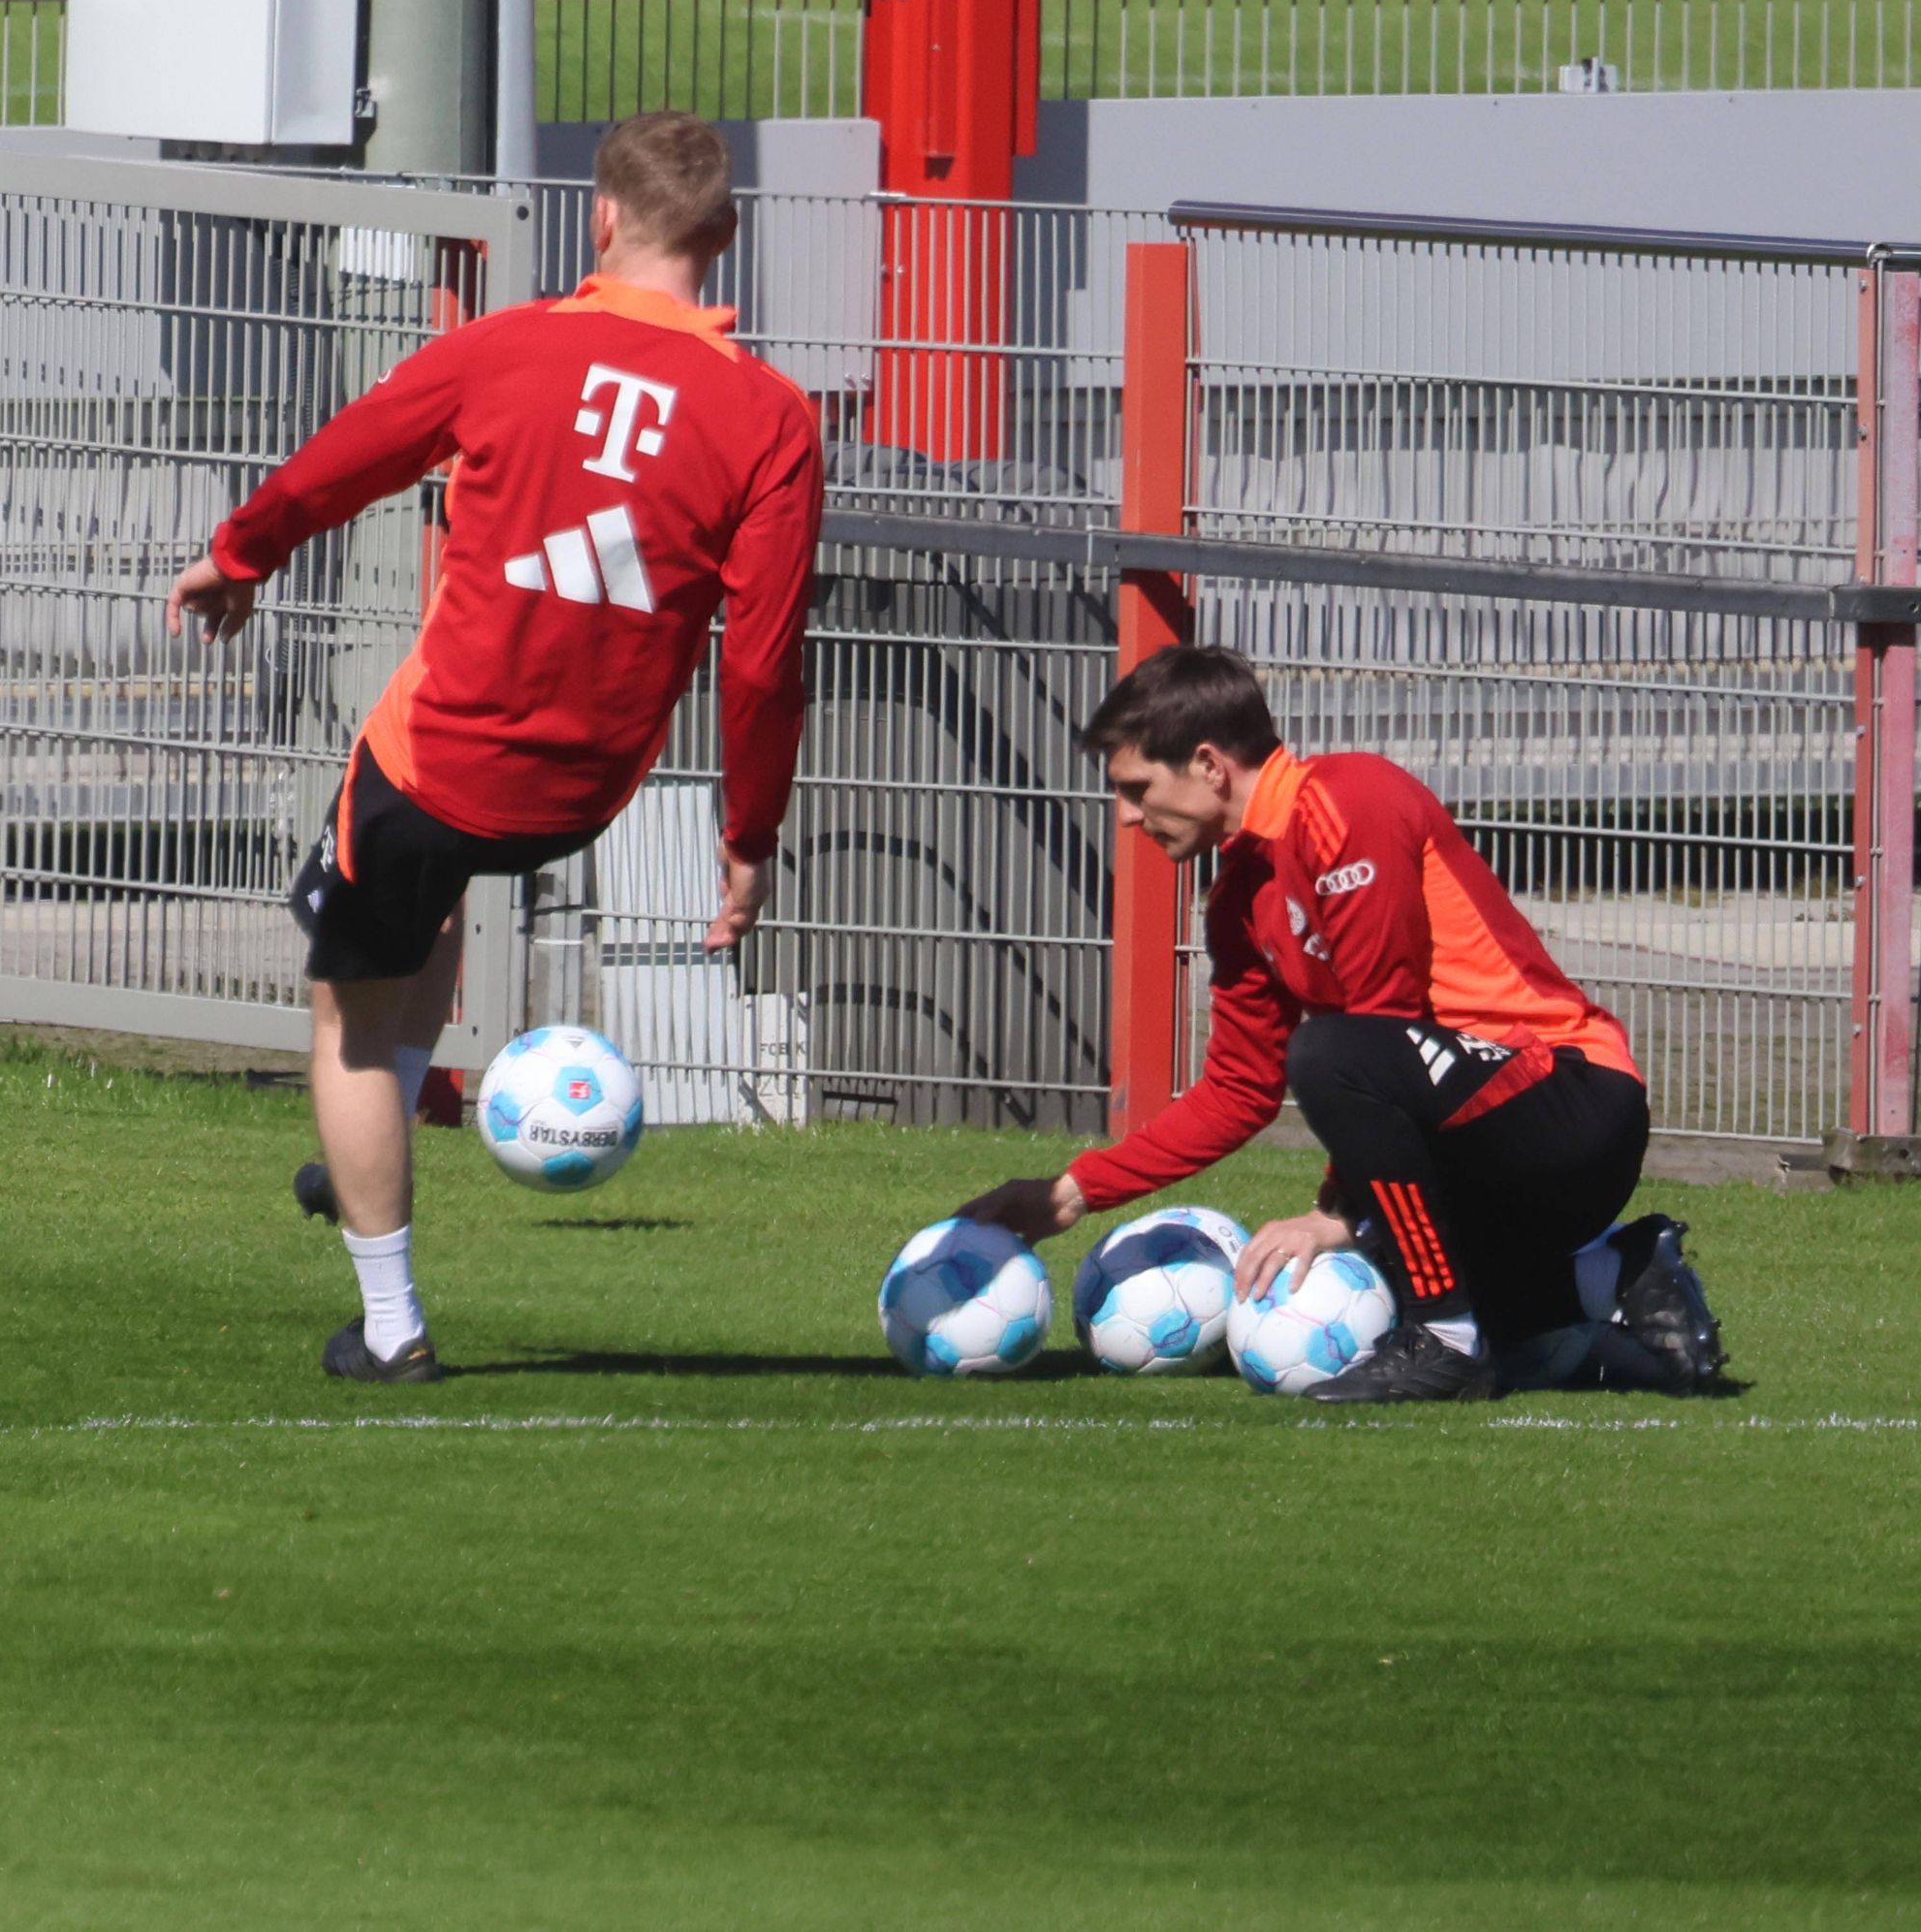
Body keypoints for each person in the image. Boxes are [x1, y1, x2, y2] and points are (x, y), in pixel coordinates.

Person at [168, 112, 826, 1383]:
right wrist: (748, 836)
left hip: (439, 763)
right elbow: (764, 660)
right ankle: (382, 1137)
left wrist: (241, 551)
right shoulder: (771, 415)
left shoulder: (506, 348)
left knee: (342, 1007)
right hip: (581, 792)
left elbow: (349, 457)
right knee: (438, 900)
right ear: (727, 235)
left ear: (598, 218)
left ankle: (391, 1320)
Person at [959, 646, 1726, 1402]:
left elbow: (1381, 1017)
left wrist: (1335, 1212)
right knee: (1378, 1293)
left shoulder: (1346, 799)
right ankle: (1622, 1274)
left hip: (1572, 1101)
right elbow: (1235, 1090)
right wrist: (1072, 1191)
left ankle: (1447, 1341)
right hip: (1486, 1153)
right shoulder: (1237, 898)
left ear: (1208, 765)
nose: (1126, 814)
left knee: (1327, 1052)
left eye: (1135, 786)